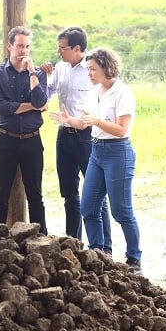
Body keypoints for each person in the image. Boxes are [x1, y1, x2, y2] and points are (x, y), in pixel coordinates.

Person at [51, 47, 142, 273]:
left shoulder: (123, 92)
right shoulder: (95, 91)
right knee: (88, 207)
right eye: (88, 69)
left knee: (121, 210)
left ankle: (134, 258)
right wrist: (68, 120)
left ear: (106, 67)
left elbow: (121, 130)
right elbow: (84, 122)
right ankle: (99, 252)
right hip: (97, 151)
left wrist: (97, 121)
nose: (89, 74)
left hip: (118, 152)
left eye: (93, 69)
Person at [43, 26, 112, 252]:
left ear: (77, 48)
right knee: (69, 193)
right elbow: (47, 93)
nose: (59, 51)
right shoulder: (61, 68)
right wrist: (41, 77)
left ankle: (103, 249)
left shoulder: (94, 70)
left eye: (63, 48)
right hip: (64, 135)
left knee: (96, 194)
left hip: (88, 137)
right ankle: (73, 245)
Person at [0, 26, 49, 235]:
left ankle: (41, 240)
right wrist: (32, 106)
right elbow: (1, 108)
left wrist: (32, 72)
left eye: (27, 47)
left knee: (35, 195)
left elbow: (41, 99)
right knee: (1, 194)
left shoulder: (39, 73)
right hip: (7, 141)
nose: (24, 51)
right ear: (9, 46)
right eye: (20, 46)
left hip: (32, 141)